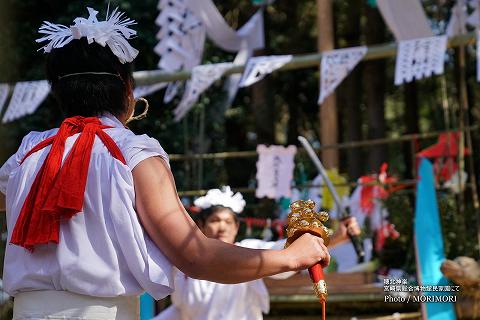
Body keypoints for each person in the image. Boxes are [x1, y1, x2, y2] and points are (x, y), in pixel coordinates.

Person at [0, 7, 329, 320]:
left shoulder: (29, 152)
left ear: (57, 91)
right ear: (128, 91)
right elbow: (194, 255)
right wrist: (291, 257)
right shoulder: (133, 152)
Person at [155, 187, 361, 320]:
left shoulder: (247, 250)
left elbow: (284, 253)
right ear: (201, 225)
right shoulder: (186, 262)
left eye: (228, 222)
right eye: (215, 221)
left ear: (237, 227)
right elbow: (180, 313)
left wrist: (338, 237)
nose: (222, 227)